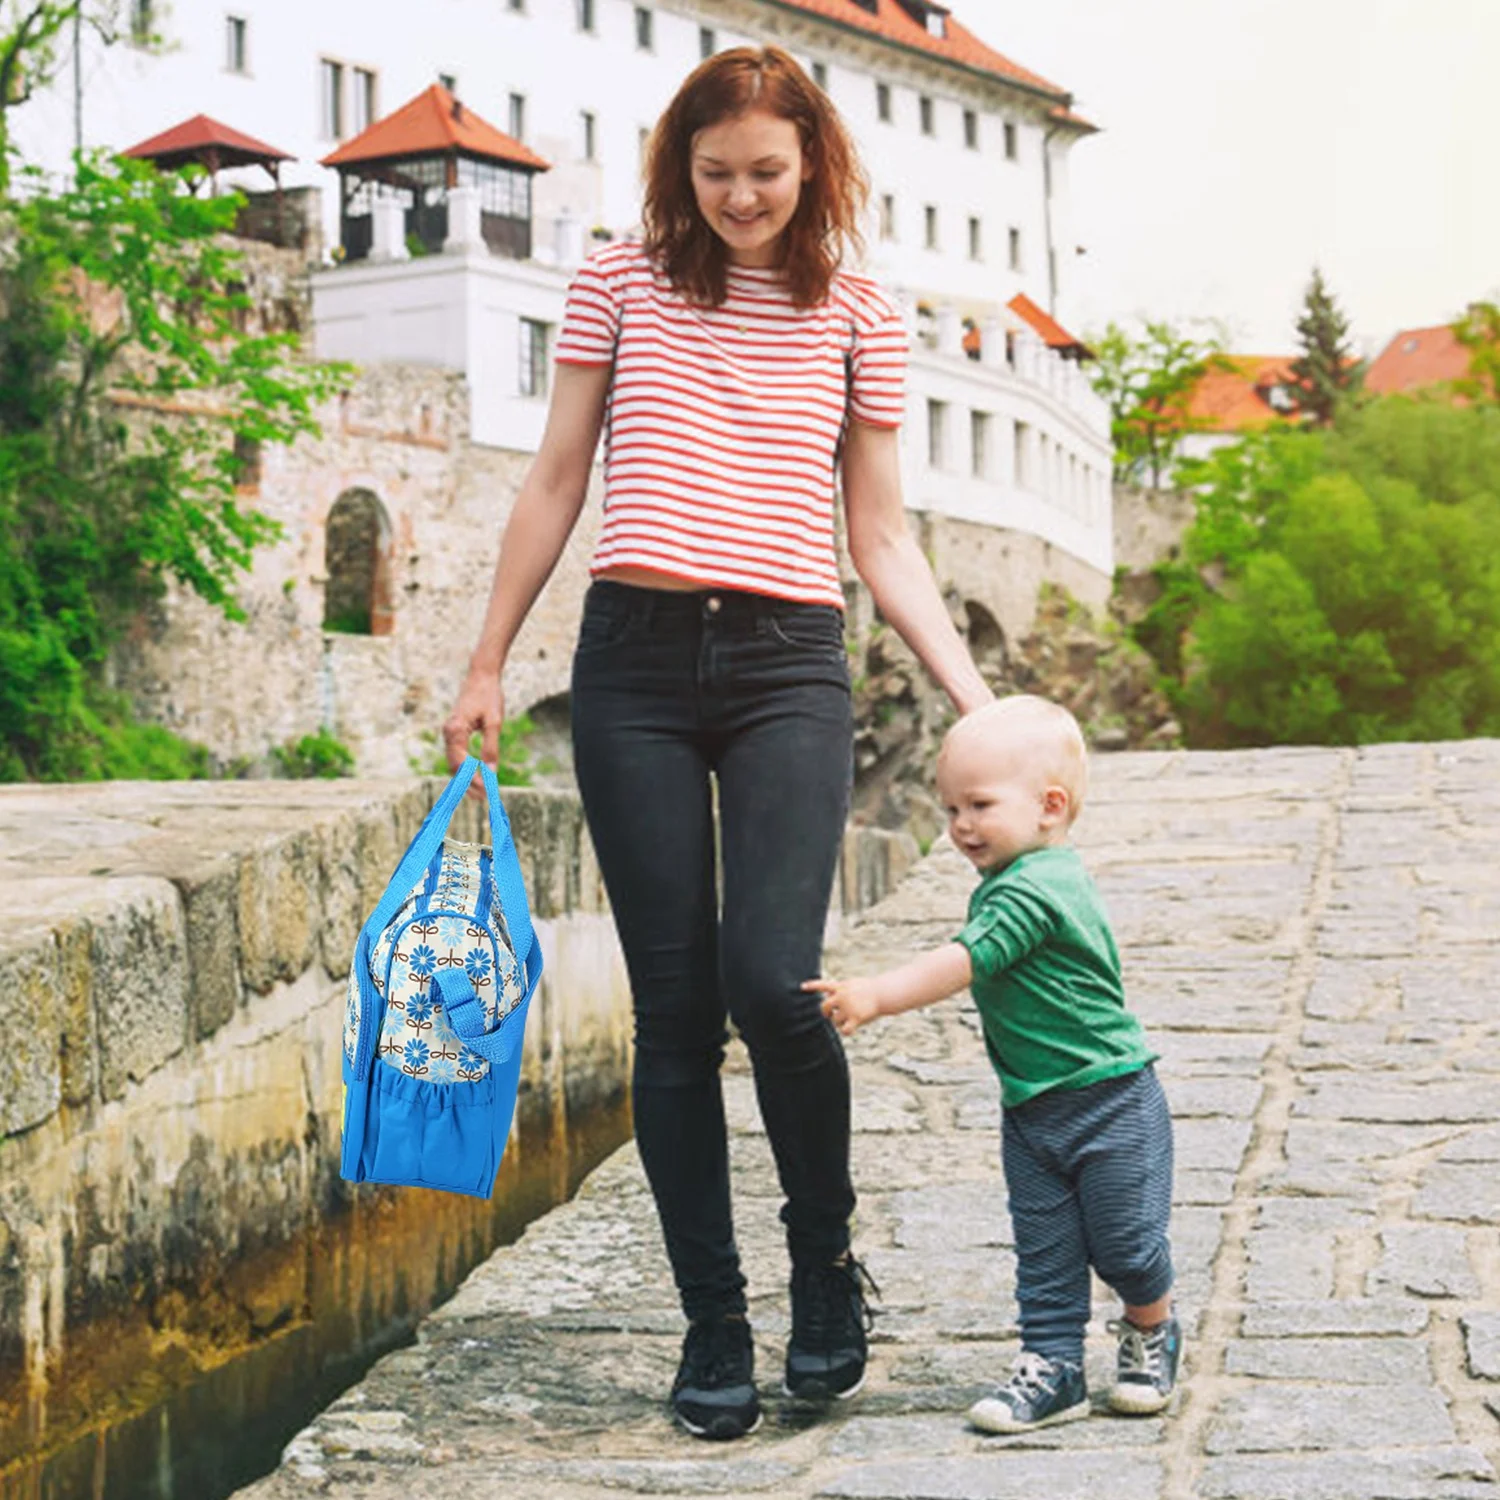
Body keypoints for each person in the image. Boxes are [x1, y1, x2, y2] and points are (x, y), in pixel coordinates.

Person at [443, 46, 991, 1441]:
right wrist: (489, 657)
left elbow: (880, 535)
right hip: (629, 659)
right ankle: (713, 1322)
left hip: (786, 663)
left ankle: (822, 1267)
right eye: (715, 171)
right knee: (674, 1009)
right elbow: (557, 476)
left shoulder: (863, 310)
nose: (741, 195)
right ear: (677, 167)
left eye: (765, 170)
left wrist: (974, 697)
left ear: (813, 164)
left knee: (775, 981)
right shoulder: (620, 283)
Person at [805, 694, 1182, 1432]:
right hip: (1035, 1112)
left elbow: (968, 960)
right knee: (1045, 1256)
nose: (959, 827)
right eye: (949, 810)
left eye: (978, 805)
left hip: (1112, 1103)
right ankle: (1054, 1368)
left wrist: (877, 994)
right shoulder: (1010, 881)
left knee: (1128, 1248)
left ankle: (1151, 1328)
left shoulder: (1041, 886)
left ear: (1049, 807)